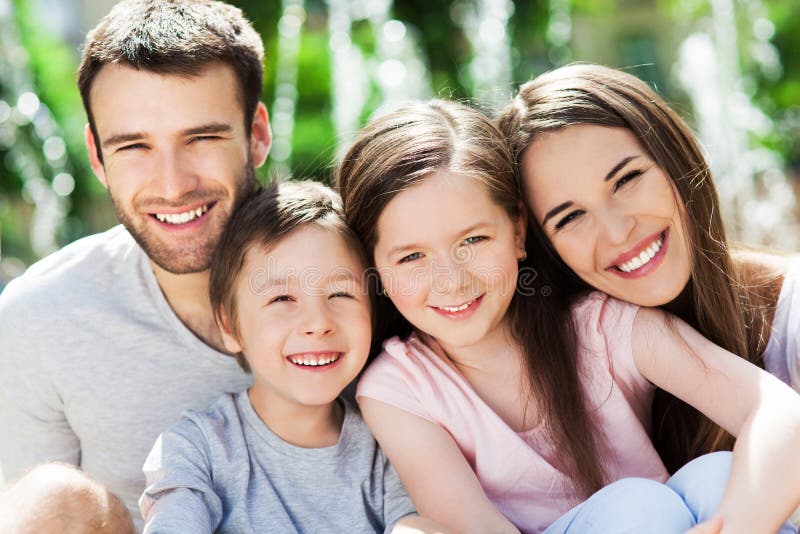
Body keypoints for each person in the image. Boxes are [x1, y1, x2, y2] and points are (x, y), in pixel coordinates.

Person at [336, 99, 800, 533]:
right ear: (373, 266)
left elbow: (780, 413)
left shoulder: (601, 327)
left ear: (518, 231)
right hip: (637, 518)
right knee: (637, 506)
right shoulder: (399, 387)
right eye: (411, 257)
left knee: (717, 475)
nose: (451, 281)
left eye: (473, 241)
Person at [0, 0, 270, 529]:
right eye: (134, 147)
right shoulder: (38, 318)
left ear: (256, 134)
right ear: (97, 157)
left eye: (202, 138)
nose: (172, 186)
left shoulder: (361, 276)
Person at [497, 62, 800, 473]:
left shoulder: (792, 313)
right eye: (569, 218)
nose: (618, 233)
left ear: (675, 157)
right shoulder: (571, 366)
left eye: (626, 180)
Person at [139, 181, 442, 533]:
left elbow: (416, 523)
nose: (317, 324)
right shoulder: (196, 447)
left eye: (341, 294)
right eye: (282, 299)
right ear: (229, 324)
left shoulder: (389, 441)